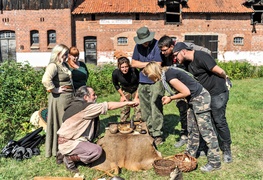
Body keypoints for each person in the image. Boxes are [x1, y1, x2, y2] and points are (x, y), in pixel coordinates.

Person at [143, 62, 221, 172]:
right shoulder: (166, 74)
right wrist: (170, 96)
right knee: (192, 129)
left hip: (200, 99)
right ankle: (189, 155)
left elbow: (186, 91)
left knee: (206, 132)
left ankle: (215, 162)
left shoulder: (170, 76)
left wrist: (171, 98)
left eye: (148, 75)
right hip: (192, 100)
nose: (148, 78)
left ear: (152, 72)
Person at [173, 42, 233, 163]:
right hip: (206, 95)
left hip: (218, 92)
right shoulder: (186, 63)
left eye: (176, 55)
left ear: (183, 51)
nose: (175, 58)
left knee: (219, 121)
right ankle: (206, 146)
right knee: (207, 121)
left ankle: (227, 149)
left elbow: (219, 71)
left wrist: (226, 80)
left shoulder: (201, 56)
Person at [56, 85, 138, 173]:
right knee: (96, 151)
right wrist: (127, 103)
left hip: (66, 140)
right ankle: (69, 158)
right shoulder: (86, 109)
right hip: (70, 143)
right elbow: (108, 106)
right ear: (86, 97)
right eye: (93, 95)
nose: (96, 97)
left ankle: (63, 153)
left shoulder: (75, 104)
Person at [158, 35, 212, 148]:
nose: (163, 53)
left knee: (198, 115)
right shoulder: (166, 56)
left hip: (192, 88)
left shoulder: (186, 48)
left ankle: (202, 141)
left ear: (172, 46)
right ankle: (185, 136)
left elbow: (207, 52)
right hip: (179, 89)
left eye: (164, 50)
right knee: (183, 112)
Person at [131, 26, 165, 145]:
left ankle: (157, 133)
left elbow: (158, 64)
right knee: (145, 109)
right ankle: (149, 130)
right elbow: (133, 63)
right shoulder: (138, 47)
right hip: (142, 81)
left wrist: (143, 64)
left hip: (155, 81)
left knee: (155, 107)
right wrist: (150, 64)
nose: (143, 43)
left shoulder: (157, 45)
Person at [42, 44, 74, 158]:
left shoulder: (64, 64)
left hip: (68, 98)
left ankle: (68, 147)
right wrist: (55, 90)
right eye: (64, 54)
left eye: (67, 54)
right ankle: (58, 150)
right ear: (58, 54)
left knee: (67, 123)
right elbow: (46, 80)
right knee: (61, 123)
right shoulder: (53, 65)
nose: (66, 56)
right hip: (59, 100)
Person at [112, 53, 141, 122]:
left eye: (126, 67)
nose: (125, 69)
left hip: (136, 90)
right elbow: (116, 84)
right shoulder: (115, 73)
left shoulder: (134, 71)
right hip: (125, 90)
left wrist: (136, 97)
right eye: (122, 67)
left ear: (129, 66)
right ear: (119, 67)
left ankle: (138, 124)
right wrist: (122, 96)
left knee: (138, 109)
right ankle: (124, 125)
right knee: (124, 109)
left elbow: (140, 83)